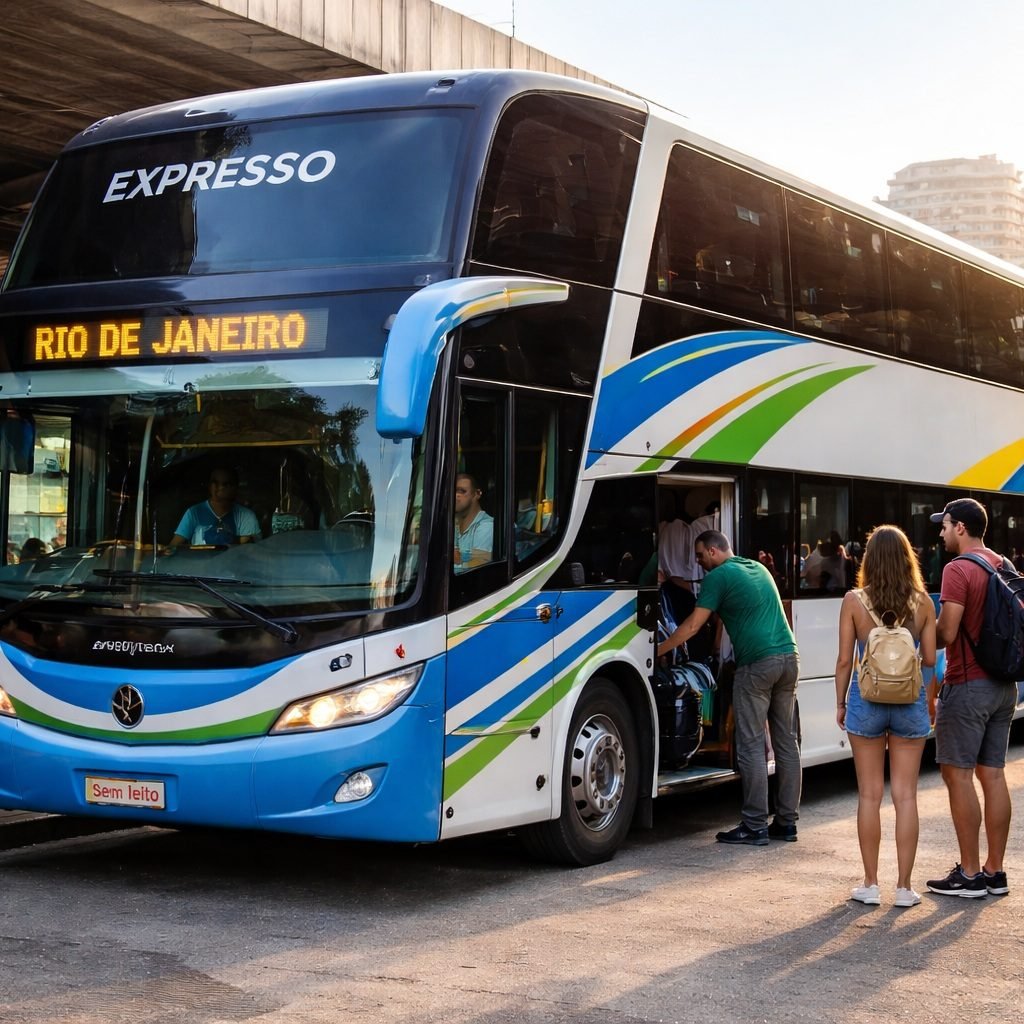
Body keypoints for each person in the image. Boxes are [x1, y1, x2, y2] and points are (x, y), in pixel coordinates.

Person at [658, 529, 800, 845]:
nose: (697, 562)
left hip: (757, 665)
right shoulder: (756, 567)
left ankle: (754, 826)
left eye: (698, 555)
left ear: (712, 551)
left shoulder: (718, 577)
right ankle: (787, 823)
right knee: (786, 742)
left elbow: (693, 625)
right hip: (789, 658)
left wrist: (658, 651)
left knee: (750, 744)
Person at [835, 525, 937, 908]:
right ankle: (905, 888)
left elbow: (846, 659)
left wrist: (841, 702)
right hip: (909, 702)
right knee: (906, 796)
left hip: (867, 701)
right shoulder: (923, 602)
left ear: (869, 560)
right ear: (908, 560)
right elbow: (928, 660)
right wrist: (928, 701)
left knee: (869, 795)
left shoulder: (854, 601)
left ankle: (870, 883)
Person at [926, 497, 1016, 898]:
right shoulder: (1004, 564)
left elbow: (947, 632)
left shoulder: (957, 569)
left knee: (957, 776)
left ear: (960, 527)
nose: (941, 532)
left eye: (944, 526)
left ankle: (969, 873)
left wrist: (923, 624)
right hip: (1004, 685)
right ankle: (995, 871)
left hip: (967, 684)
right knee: (993, 775)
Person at [170, 466, 260, 548]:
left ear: (235, 487)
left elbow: (253, 552)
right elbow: (173, 547)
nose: (220, 487)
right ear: (209, 486)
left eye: (226, 484)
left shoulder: (246, 516)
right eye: (215, 483)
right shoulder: (194, 512)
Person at [453, 473, 493, 574]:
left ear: (477, 494)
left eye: (462, 491)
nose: (456, 495)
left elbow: (478, 566)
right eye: (453, 491)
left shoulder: (487, 527)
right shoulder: (453, 527)